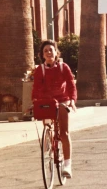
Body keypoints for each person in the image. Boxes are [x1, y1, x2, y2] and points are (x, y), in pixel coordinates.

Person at [32, 39, 77, 178]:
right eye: (45, 51)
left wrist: (72, 101)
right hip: (47, 102)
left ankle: (67, 165)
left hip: (62, 101)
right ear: (42, 55)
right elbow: (36, 88)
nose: (48, 53)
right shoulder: (40, 70)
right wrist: (34, 101)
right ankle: (49, 145)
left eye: (51, 50)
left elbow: (71, 85)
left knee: (64, 133)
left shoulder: (64, 67)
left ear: (56, 52)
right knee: (47, 127)